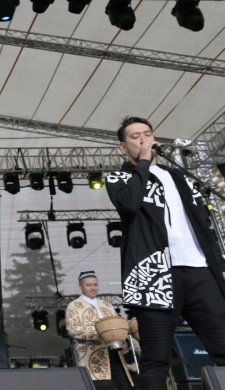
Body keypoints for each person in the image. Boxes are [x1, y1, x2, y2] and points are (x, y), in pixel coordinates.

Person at [105, 116, 225, 390]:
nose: (144, 139)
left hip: (199, 271)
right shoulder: (119, 178)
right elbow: (130, 205)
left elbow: (202, 224)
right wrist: (143, 164)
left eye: (147, 133)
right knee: (156, 361)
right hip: (154, 276)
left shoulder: (179, 177)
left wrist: (219, 264)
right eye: (135, 136)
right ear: (123, 147)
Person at [66, 271, 134, 389]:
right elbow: (72, 330)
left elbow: (116, 324)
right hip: (93, 355)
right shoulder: (74, 306)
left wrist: (125, 328)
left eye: (95, 284)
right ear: (80, 286)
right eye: (89, 285)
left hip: (115, 352)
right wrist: (100, 334)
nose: (93, 287)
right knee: (101, 386)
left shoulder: (107, 305)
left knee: (124, 386)